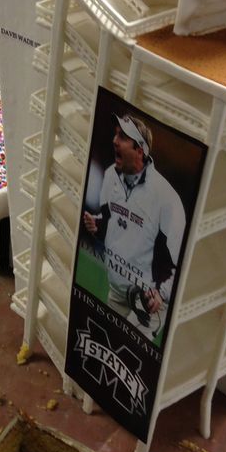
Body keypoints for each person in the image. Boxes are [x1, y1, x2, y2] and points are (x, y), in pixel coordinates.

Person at [82, 114, 186, 339]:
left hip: (147, 302)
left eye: (123, 136)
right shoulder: (110, 176)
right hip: (116, 292)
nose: (114, 141)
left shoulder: (166, 197)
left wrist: (162, 294)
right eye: (115, 134)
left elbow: (182, 257)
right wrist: (97, 226)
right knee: (106, 348)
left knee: (128, 356)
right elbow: (114, 225)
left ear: (140, 150)